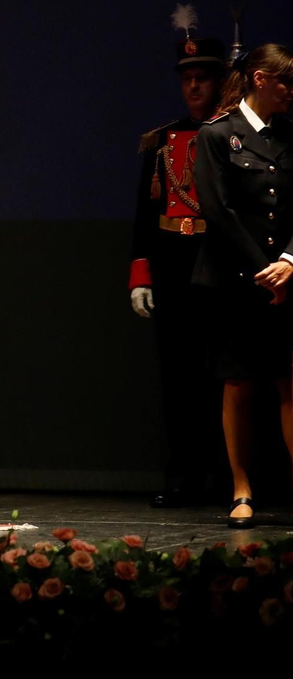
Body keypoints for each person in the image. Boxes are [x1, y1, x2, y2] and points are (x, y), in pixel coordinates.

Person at [193, 44, 293, 529]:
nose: (290, 92)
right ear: (259, 79)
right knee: (238, 383)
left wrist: (290, 261)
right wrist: (265, 269)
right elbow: (218, 210)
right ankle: (240, 487)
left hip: (287, 280)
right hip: (236, 281)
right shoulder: (218, 135)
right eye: (284, 82)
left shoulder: (291, 136)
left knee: (287, 380)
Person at [128, 30, 227, 507]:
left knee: (222, 377)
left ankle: (226, 476)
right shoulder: (161, 140)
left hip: (219, 262)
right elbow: (144, 217)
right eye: (187, 78)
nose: (193, 87)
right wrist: (141, 276)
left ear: (218, 82)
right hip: (173, 262)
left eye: (202, 78)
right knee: (177, 379)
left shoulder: (231, 137)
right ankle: (182, 474)